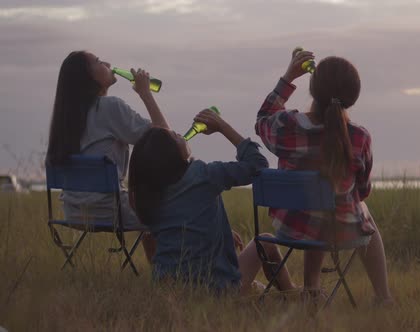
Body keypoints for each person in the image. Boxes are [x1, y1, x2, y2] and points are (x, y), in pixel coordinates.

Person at [255, 50, 393, 304]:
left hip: (292, 227)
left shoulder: (287, 126)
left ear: (313, 88)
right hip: (340, 229)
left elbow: (262, 120)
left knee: (315, 210)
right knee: (360, 209)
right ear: (353, 97)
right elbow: (361, 190)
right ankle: (383, 297)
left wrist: (288, 77)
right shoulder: (359, 137)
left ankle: (312, 289)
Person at [128, 111, 297, 296]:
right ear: (171, 154)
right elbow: (257, 166)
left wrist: (220, 232)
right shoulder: (202, 174)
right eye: (175, 136)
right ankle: (291, 295)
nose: (179, 134)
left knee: (253, 285)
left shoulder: (150, 195)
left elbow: (167, 230)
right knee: (266, 242)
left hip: (169, 288)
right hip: (217, 288)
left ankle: (263, 291)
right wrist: (223, 127)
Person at [46, 51, 168, 263]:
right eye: (99, 62)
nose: (108, 63)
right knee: (169, 205)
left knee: (148, 202)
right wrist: (145, 93)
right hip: (110, 211)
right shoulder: (109, 107)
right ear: (89, 77)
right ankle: (165, 274)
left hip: (73, 212)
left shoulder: (65, 118)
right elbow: (165, 140)